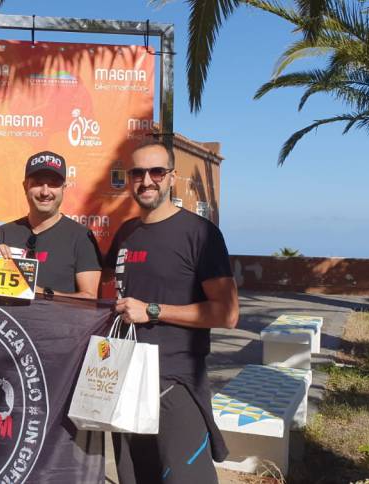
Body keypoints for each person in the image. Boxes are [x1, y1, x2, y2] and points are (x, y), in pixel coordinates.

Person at [105, 141, 239, 483]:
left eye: (157, 172)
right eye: (138, 173)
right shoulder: (126, 234)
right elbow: (101, 296)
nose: (146, 180)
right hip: (125, 381)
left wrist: (152, 311)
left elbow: (227, 314)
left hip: (175, 384)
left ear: (171, 177)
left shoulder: (200, 234)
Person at [0, 150, 102, 299]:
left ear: (63, 188)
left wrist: (40, 293)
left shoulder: (81, 237)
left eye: (53, 184)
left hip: (59, 316)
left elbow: (90, 298)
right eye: (37, 183)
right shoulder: (4, 232)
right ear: (25, 187)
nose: (45, 192)